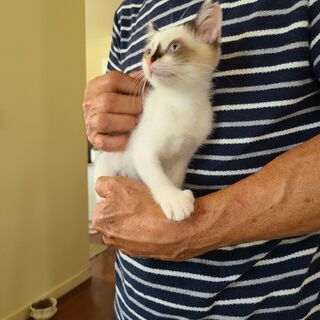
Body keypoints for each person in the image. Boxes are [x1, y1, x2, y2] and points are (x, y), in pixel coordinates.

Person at [83, 0, 320, 319]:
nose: (151, 61)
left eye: (173, 48)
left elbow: (177, 162)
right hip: (136, 301)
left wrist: (183, 226)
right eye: (148, 52)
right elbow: (135, 147)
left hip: (271, 305)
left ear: (210, 35)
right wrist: (98, 116)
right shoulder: (129, 11)